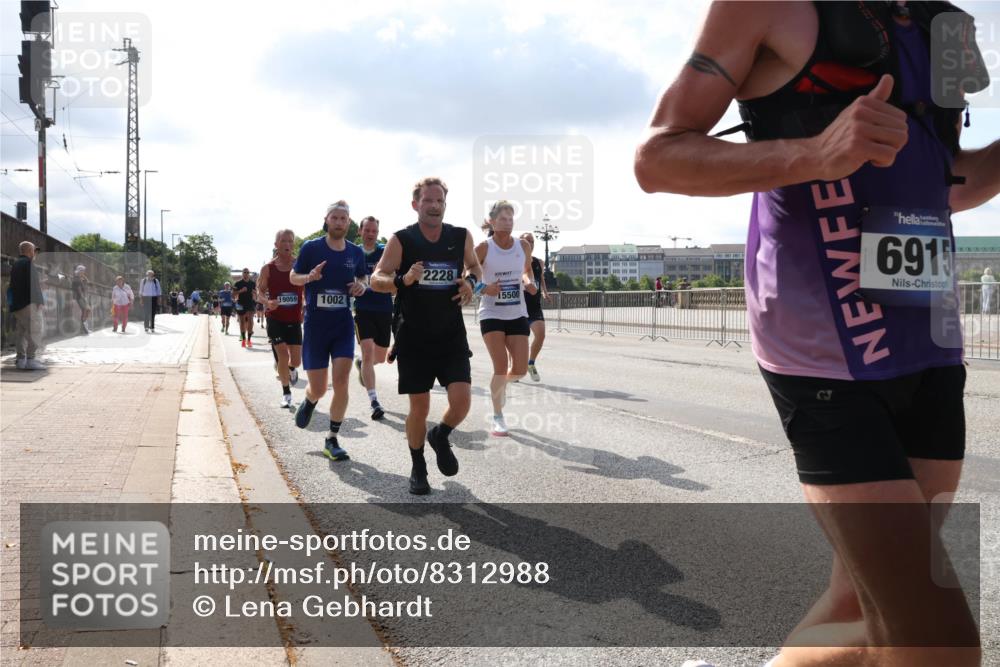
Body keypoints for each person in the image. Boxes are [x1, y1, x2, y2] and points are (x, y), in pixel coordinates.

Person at [634, 2, 996, 666]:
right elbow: (658, 158)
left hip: (929, 335)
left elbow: (950, 182)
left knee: (866, 603)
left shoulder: (949, 26)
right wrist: (815, 153)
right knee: (936, 637)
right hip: (825, 344)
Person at [371, 177, 482, 495]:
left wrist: (471, 283)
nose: (434, 206)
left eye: (440, 201)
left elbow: (474, 266)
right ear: (415, 204)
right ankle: (418, 466)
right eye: (428, 201)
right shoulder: (402, 239)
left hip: (450, 335)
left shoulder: (460, 236)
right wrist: (402, 279)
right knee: (418, 407)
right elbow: (377, 278)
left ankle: (441, 434)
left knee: (461, 402)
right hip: (414, 336)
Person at [290, 201, 368, 461]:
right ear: (326, 220)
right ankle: (310, 400)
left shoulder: (356, 252)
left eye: (343, 218)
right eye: (334, 217)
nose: (338, 222)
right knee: (320, 387)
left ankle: (332, 439)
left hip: (343, 324)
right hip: (316, 326)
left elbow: (363, 278)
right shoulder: (312, 248)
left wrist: (360, 286)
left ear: (349, 223)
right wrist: (308, 278)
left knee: (342, 381)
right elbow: (293, 276)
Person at [476, 201, 536, 437]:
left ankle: (497, 388)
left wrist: (528, 281)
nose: (508, 222)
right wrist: (484, 287)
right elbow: (466, 273)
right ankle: (498, 416)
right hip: (491, 313)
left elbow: (526, 269)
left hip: (517, 312)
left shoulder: (522, 245)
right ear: (492, 221)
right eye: (503, 218)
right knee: (500, 368)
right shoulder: (483, 247)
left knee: (519, 370)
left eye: (511, 218)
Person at [353, 216, 394, 421]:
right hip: (363, 310)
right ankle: (374, 401)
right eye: (367, 230)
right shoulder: (353, 253)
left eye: (374, 231)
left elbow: (396, 274)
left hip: (384, 309)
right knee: (368, 353)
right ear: (360, 231)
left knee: (378, 358)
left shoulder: (386, 251)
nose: (370, 234)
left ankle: (361, 364)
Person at [258, 229, 304, 409]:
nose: (287, 244)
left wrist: (307, 304)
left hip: (294, 319)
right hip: (275, 318)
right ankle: (286, 393)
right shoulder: (268, 268)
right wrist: (267, 302)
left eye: (290, 241)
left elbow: (307, 286)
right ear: (276, 245)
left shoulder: (299, 265)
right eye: (283, 241)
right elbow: (260, 292)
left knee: (296, 361)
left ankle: (291, 370)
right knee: (282, 355)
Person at [10, 241, 46, 370]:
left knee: (21, 332)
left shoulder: (15, 264)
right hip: (29, 303)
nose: (35, 253)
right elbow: (33, 285)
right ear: (29, 251)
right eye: (34, 251)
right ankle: (30, 359)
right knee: (35, 330)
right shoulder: (29, 263)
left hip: (17, 305)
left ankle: (21, 360)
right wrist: (39, 301)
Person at [520, 232, 550, 382]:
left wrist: (545, 292)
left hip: (535, 305)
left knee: (541, 335)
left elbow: (541, 278)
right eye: (527, 241)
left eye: (532, 241)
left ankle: (530, 363)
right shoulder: (515, 260)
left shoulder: (539, 262)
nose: (530, 243)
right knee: (519, 340)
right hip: (519, 306)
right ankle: (515, 366)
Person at [233, 269, 257, 347]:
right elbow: (233, 294)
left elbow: (256, 293)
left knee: (250, 321)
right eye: (244, 272)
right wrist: (241, 291)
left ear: (249, 274)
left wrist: (255, 293)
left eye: (247, 272)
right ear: (242, 274)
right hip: (241, 304)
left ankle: (249, 340)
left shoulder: (252, 283)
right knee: (242, 322)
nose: (246, 274)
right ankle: (243, 340)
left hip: (250, 303)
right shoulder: (238, 283)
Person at [71, 265, 91, 334]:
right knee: (86, 309)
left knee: (86, 310)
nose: (84, 272)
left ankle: (84, 326)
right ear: (80, 271)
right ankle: (84, 326)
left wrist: (83, 276)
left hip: (80, 296)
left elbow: (88, 281)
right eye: (83, 271)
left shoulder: (79, 278)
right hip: (79, 297)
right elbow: (79, 289)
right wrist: (83, 297)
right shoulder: (76, 278)